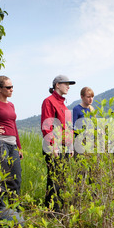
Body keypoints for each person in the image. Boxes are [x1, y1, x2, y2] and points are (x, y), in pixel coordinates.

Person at [41, 75, 75, 212]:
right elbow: (47, 126)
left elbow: (68, 127)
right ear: (57, 85)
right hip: (55, 147)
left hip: (65, 147)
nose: (68, 86)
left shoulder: (64, 105)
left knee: (62, 179)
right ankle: (52, 211)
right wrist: (52, 146)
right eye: (66, 84)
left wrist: (71, 145)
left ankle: (59, 209)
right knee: (54, 179)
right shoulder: (49, 101)